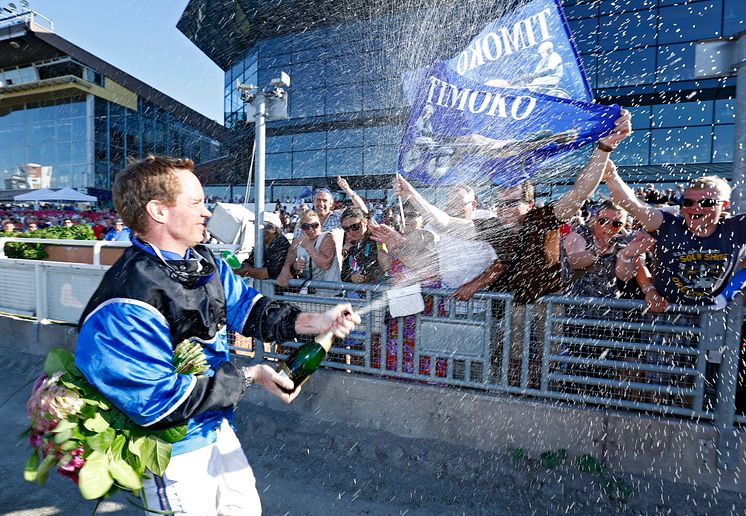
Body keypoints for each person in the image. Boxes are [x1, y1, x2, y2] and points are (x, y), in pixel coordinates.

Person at [74, 156, 360, 515]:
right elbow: (158, 403)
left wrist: (315, 322)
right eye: (195, 202)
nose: (207, 212)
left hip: (217, 427)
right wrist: (249, 376)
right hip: (171, 449)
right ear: (159, 210)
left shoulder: (202, 261)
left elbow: (250, 309)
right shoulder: (128, 296)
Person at [604, 165, 746, 311]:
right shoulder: (668, 225)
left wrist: (739, 280)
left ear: (724, 206)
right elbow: (631, 203)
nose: (695, 208)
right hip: (668, 314)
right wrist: (610, 172)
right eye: (688, 202)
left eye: (706, 203)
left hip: (713, 315)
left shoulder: (736, 228)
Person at [277, 210, 342, 293]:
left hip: (328, 291)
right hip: (308, 291)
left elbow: (325, 265)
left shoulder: (327, 237)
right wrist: (294, 266)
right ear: (301, 228)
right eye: (306, 226)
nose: (311, 229)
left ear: (320, 225)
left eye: (315, 225)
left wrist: (308, 246)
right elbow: (289, 260)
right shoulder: (297, 242)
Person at [340, 207, 388, 285]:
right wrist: (351, 277)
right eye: (346, 228)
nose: (351, 231)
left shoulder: (376, 239)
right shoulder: (348, 242)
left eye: (355, 226)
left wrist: (352, 249)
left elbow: (375, 268)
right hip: (356, 293)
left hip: (375, 291)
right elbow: (343, 275)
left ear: (365, 222)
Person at [237, 212, 291, 281]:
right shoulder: (262, 243)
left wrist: (247, 270)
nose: (255, 231)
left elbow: (269, 273)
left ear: (272, 229)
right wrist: (246, 267)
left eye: (259, 228)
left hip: (280, 290)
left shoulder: (281, 244)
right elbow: (249, 261)